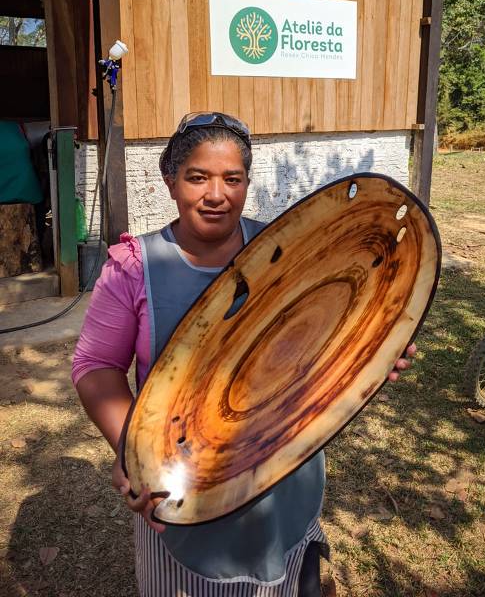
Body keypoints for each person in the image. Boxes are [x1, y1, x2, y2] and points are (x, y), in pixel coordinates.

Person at [72, 112, 415, 597]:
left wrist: (370, 352)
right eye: (198, 177)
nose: (217, 194)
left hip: (283, 477)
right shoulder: (133, 267)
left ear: (247, 183)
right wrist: (135, 450)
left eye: (232, 179)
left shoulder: (289, 249)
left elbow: (323, 335)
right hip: (183, 487)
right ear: (170, 182)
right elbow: (96, 368)